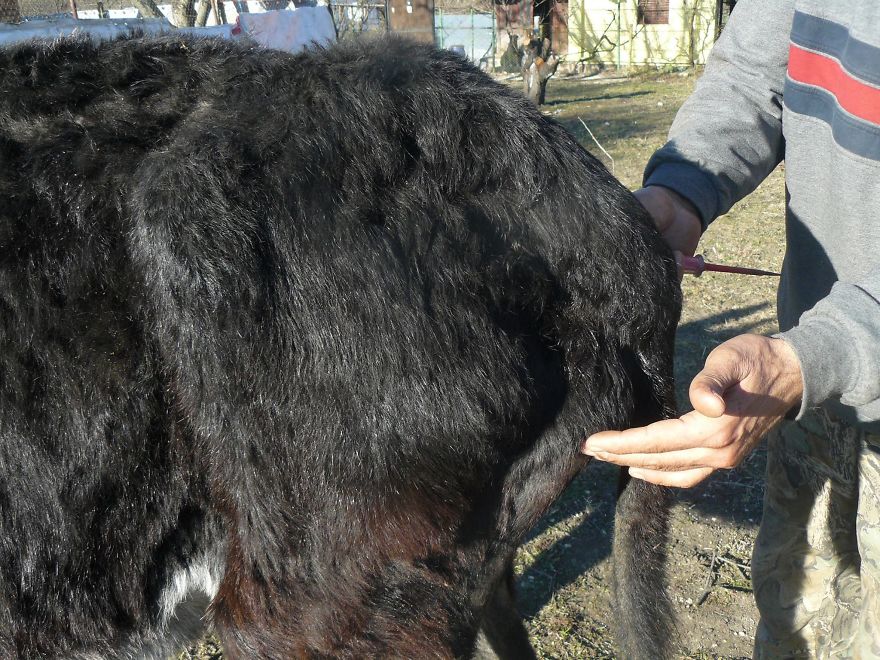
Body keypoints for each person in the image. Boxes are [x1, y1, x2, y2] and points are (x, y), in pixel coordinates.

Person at [580, 0, 880, 656]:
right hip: (808, 389)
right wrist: (681, 193)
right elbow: (753, 73)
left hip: (811, 362)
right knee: (794, 614)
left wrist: (819, 354)